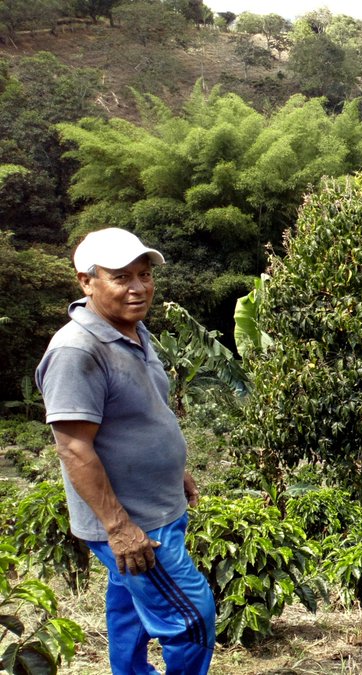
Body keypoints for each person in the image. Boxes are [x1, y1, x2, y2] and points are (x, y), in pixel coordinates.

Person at [35, 228, 216, 675]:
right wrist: (119, 528)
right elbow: (74, 448)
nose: (138, 287)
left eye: (144, 274)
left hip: (157, 504)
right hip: (135, 523)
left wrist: (176, 469)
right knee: (191, 617)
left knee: (130, 618)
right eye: (121, 277)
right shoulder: (77, 350)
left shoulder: (132, 330)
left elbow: (143, 413)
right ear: (86, 282)